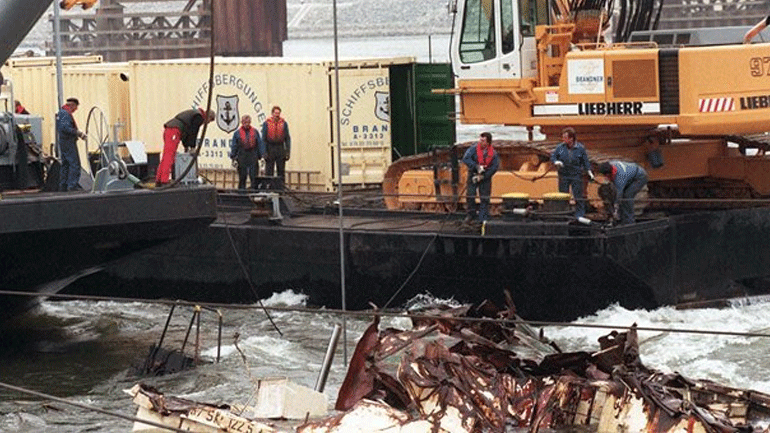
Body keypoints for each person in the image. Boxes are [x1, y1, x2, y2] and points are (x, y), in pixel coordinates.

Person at [156, 107, 215, 186]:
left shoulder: (195, 114)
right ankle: (164, 181)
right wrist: (193, 147)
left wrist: (186, 146)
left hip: (170, 130)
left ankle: (159, 179)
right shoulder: (199, 117)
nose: (206, 123)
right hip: (174, 131)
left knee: (167, 156)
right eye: (209, 121)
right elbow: (193, 132)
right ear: (208, 117)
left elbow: (187, 132)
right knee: (169, 156)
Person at [550, 127, 594, 218]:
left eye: (565, 137)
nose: (563, 139)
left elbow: (585, 161)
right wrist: (556, 162)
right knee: (563, 195)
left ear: (571, 138)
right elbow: (553, 156)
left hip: (575, 175)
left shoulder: (580, 148)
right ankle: (564, 213)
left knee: (578, 195)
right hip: (563, 174)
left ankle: (580, 215)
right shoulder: (560, 147)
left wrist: (589, 171)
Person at [462, 132, 500, 224]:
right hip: (473, 174)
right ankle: (471, 214)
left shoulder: (493, 154)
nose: (480, 141)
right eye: (480, 139)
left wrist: (484, 176)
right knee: (470, 194)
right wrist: (476, 166)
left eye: (483, 140)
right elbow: (466, 158)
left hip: (485, 176)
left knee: (485, 197)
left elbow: (495, 167)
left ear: (488, 142)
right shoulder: (473, 149)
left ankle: (483, 217)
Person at [596, 161, 648, 225]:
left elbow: (618, 194)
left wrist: (615, 207)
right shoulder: (610, 165)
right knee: (623, 197)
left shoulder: (620, 177)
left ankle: (629, 222)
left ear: (608, 173)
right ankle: (622, 219)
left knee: (627, 196)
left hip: (639, 177)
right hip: (630, 177)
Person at [56, 97, 87, 191]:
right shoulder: (65, 114)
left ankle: (63, 186)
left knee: (65, 164)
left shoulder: (61, 112)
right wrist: (78, 133)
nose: (75, 110)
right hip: (68, 142)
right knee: (75, 164)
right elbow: (65, 128)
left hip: (63, 141)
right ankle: (72, 185)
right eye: (75, 107)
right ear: (72, 105)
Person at [260, 105, 291, 189]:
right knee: (269, 170)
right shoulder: (266, 123)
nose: (277, 115)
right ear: (272, 113)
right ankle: (268, 187)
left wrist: (287, 151)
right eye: (275, 113)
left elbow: (287, 138)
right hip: (270, 148)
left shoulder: (284, 123)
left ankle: (281, 188)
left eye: (278, 113)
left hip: (280, 147)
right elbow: (263, 139)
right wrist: (264, 152)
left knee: (281, 170)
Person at [229, 114, 262, 190]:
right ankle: (241, 192)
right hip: (242, 155)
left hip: (253, 154)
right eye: (245, 122)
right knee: (242, 176)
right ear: (242, 123)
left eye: (248, 122)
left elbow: (259, 143)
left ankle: (254, 192)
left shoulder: (255, 132)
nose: (246, 124)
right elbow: (234, 145)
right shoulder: (237, 133)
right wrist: (233, 155)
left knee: (254, 176)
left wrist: (260, 155)